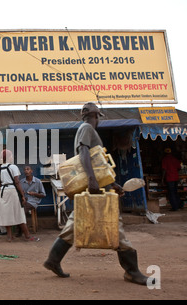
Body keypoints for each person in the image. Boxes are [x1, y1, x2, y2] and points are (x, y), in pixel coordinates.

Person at [43, 102, 149, 285]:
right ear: (95, 115)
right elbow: (83, 152)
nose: (98, 119)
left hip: (97, 187)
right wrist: (92, 179)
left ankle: (53, 260)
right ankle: (132, 271)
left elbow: (99, 166)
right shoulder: (86, 129)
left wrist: (113, 184)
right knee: (115, 225)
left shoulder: (88, 130)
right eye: (98, 116)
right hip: (94, 188)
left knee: (76, 223)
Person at [0, 149, 39, 242]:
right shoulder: (13, 167)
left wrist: (0, 196)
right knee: (19, 213)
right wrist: (22, 195)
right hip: (12, 191)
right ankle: (27, 236)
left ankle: (9, 236)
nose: (12, 157)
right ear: (8, 157)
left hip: (3, 192)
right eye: (11, 156)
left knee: (7, 214)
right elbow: (17, 182)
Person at [16, 166, 46, 234]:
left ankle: (21, 230)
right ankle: (21, 228)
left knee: (23, 209)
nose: (26, 171)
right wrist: (22, 195)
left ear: (31, 171)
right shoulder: (21, 182)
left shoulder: (38, 181)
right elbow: (20, 194)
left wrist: (34, 193)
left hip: (34, 201)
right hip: (24, 200)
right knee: (18, 208)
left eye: (28, 169)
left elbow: (43, 195)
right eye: (25, 169)